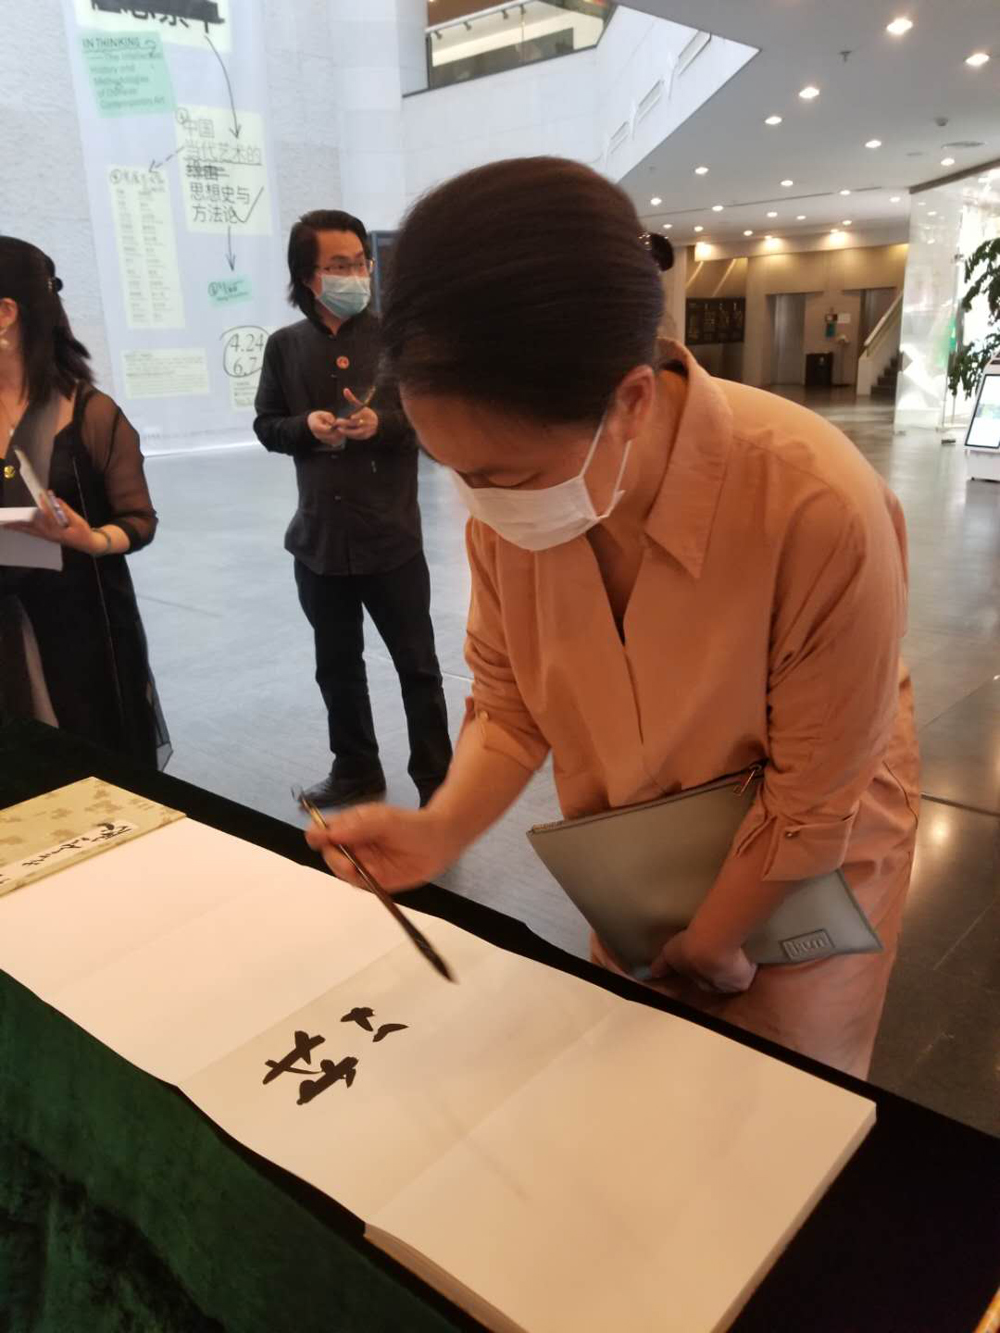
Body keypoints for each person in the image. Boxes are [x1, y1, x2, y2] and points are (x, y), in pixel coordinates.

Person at [306, 158, 920, 1078]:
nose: (484, 508)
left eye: (506, 475)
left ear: (630, 400)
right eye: (455, 471)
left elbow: (810, 803)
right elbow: (511, 705)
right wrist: (440, 830)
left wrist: (710, 943)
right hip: (640, 867)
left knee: (782, 1097)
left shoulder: (816, 505)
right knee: (635, 1091)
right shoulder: (511, 510)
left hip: (803, 871)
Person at [254, 209, 451, 809]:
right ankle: (356, 770)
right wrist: (305, 427)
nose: (356, 274)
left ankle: (438, 787)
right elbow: (267, 425)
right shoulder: (285, 346)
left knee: (418, 668)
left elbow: (432, 423)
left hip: (391, 538)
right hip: (319, 542)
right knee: (337, 667)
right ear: (307, 276)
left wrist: (380, 424)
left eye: (360, 263)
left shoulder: (397, 340)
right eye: (340, 265)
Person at [0, 238, 170, 767]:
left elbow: (139, 520)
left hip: (80, 631)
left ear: (6, 313)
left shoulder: (90, 412)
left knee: (91, 769)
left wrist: (89, 539)